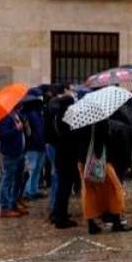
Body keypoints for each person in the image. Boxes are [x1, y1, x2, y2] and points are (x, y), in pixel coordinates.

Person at [73, 120, 132, 234]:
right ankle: (116, 221)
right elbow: (105, 140)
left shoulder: (80, 122)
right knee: (114, 189)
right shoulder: (101, 121)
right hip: (100, 161)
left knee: (89, 192)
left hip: (83, 161)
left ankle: (91, 224)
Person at [46, 86, 79, 229]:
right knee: (64, 187)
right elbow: (70, 137)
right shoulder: (66, 119)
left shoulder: (58, 116)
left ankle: (61, 214)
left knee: (63, 187)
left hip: (62, 155)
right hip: (67, 156)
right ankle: (61, 218)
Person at [0, 106, 28, 218]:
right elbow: (1, 135)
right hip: (9, 153)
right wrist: (16, 129)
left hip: (19, 152)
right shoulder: (3, 117)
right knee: (7, 180)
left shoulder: (15, 114)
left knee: (17, 179)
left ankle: (13, 204)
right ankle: (5, 207)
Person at [22, 91, 48, 200]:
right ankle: (28, 191)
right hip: (33, 146)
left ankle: (33, 190)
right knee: (32, 170)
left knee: (37, 170)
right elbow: (33, 132)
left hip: (39, 146)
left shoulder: (38, 113)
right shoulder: (29, 114)